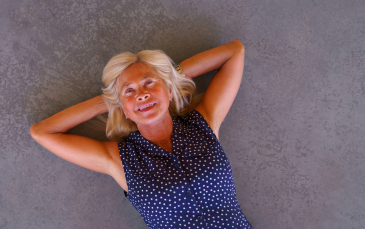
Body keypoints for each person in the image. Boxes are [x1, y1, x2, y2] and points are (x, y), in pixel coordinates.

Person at [30, 40, 251, 228]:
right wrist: (109, 101)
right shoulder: (120, 160)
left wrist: (171, 77)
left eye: (148, 82)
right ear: (123, 109)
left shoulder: (203, 125)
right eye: (129, 90)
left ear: (169, 91)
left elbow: (234, 51)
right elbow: (43, 132)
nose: (142, 94)